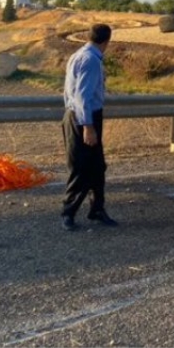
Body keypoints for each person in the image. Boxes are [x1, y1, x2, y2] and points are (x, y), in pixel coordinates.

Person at [61, 23, 118, 231]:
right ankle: (68, 212)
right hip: (84, 118)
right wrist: (88, 126)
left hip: (79, 116)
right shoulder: (91, 60)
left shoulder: (79, 54)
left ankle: (97, 209)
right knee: (81, 168)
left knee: (97, 167)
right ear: (107, 41)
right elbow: (82, 97)